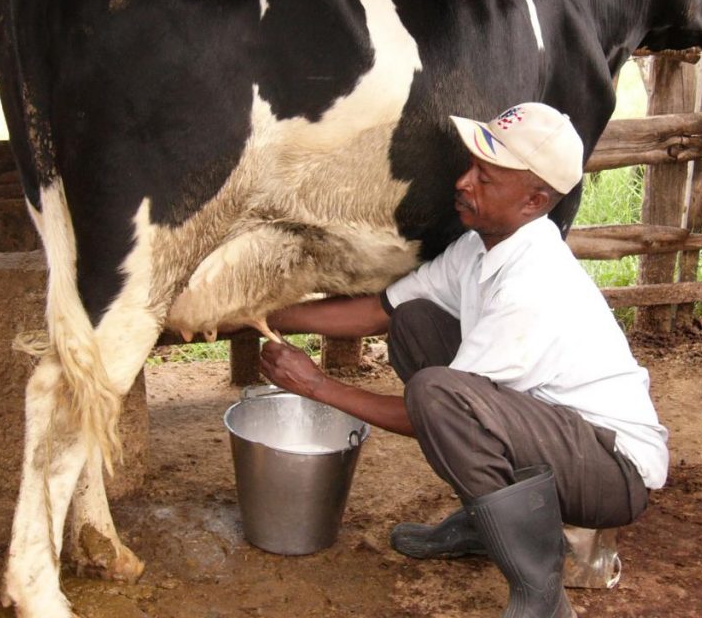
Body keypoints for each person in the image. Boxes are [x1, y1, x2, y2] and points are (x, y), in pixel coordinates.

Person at [259, 102, 669, 618]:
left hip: (613, 470)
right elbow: (378, 311)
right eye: (471, 167)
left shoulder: (532, 282)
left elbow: (432, 412)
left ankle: (541, 594)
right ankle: (486, 523)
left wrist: (318, 386)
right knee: (414, 322)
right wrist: (267, 311)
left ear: (534, 200)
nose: (463, 182)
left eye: (486, 178)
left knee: (437, 395)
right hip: (555, 435)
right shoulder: (480, 247)